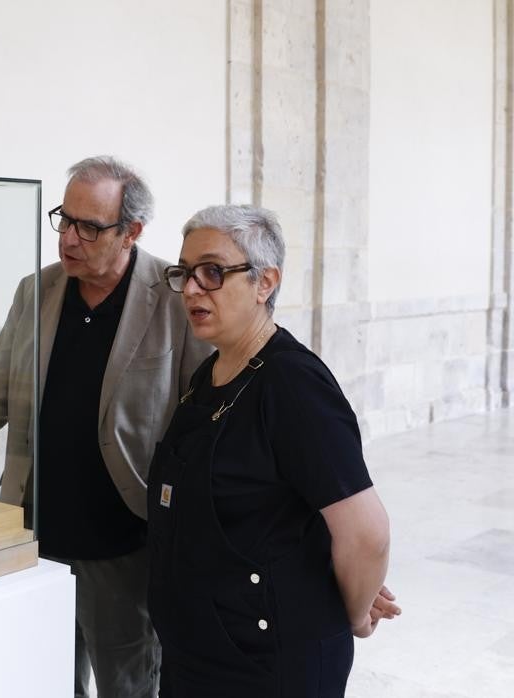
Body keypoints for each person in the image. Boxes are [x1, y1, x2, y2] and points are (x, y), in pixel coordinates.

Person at [0, 156, 210, 698]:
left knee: (126, 684)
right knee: (42, 676)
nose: (69, 238)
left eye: (90, 226)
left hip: (123, 545)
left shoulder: (174, 298)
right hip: (36, 535)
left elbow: (198, 417)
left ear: (131, 232)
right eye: (64, 219)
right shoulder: (34, 291)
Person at [148, 204, 401, 696]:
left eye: (213, 272)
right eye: (185, 272)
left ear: (265, 283)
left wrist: (349, 613)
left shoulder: (292, 383)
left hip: (267, 665)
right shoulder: (211, 372)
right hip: (198, 657)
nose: (193, 288)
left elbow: (367, 533)